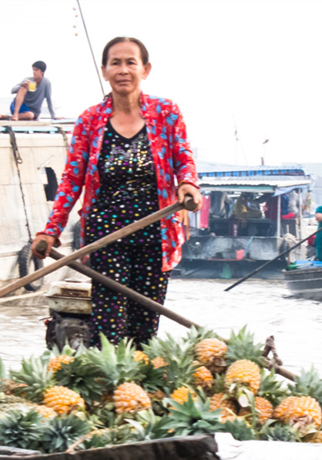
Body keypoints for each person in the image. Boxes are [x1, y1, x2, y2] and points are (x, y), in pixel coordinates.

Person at [31, 37, 202, 348]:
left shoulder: (166, 112)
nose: (123, 70)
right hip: (106, 235)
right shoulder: (90, 120)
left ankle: (137, 390)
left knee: (144, 327)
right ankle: (107, 383)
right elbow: (71, 180)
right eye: (116, 63)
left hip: (154, 233)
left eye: (130, 62)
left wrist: (188, 183)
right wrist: (50, 231)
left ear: (145, 69)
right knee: (108, 327)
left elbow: (182, 156)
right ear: (104, 71)